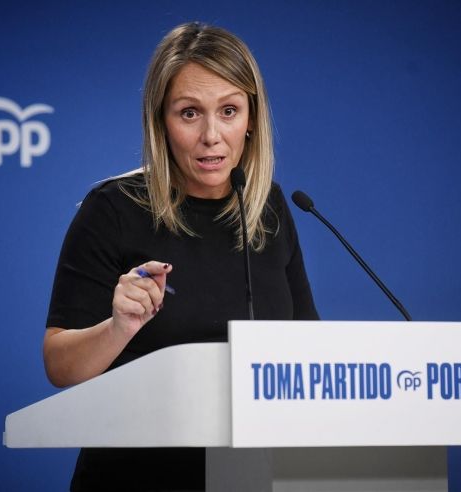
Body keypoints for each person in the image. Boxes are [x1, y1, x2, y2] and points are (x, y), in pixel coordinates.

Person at [43, 21, 318, 491]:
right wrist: (117, 328)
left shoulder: (267, 208)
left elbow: (309, 348)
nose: (212, 135)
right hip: (134, 479)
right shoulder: (113, 209)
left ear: (251, 119)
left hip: (252, 478)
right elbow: (59, 365)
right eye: (189, 113)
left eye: (229, 111)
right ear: (161, 122)